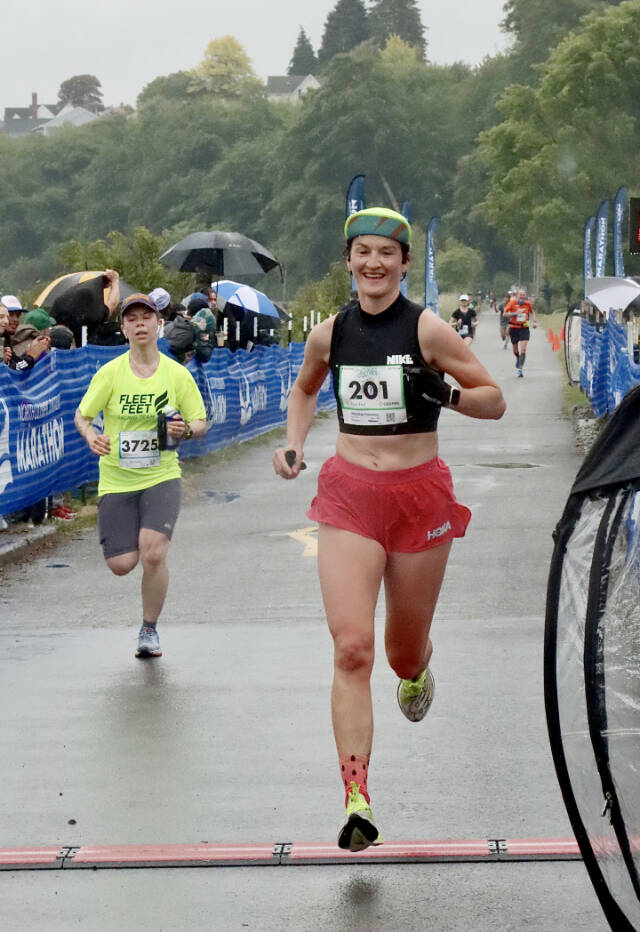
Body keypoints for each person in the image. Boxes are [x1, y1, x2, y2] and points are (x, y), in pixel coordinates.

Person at [273, 207, 505, 852]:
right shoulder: (330, 333)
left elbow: (494, 398)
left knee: (401, 652)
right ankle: (356, 798)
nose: (374, 264)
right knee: (351, 648)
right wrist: (294, 445)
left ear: (404, 264)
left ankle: (419, 664)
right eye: (362, 253)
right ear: (348, 261)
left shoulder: (427, 328)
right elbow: (304, 389)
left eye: (387, 254)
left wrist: (449, 395)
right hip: (350, 497)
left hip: (418, 497)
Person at [74, 292, 207, 658]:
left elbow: (200, 420)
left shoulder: (176, 374)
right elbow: (82, 416)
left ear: (158, 323)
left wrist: (185, 430)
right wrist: (91, 437)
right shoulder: (110, 374)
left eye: (146, 317)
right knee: (122, 565)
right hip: (117, 478)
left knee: (153, 554)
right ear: (124, 329)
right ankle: (128, 540)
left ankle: (149, 629)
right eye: (131, 319)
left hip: (160, 475)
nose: (140, 324)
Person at [504, 287, 537, 377]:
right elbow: (505, 314)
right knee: (515, 350)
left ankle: (520, 369)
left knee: (523, 349)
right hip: (514, 328)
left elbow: (532, 312)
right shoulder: (512, 303)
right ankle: (518, 358)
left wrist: (534, 321)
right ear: (517, 295)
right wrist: (515, 313)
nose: (522, 296)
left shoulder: (528, 303)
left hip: (524, 329)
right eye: (520, 295)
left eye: (523, 295)